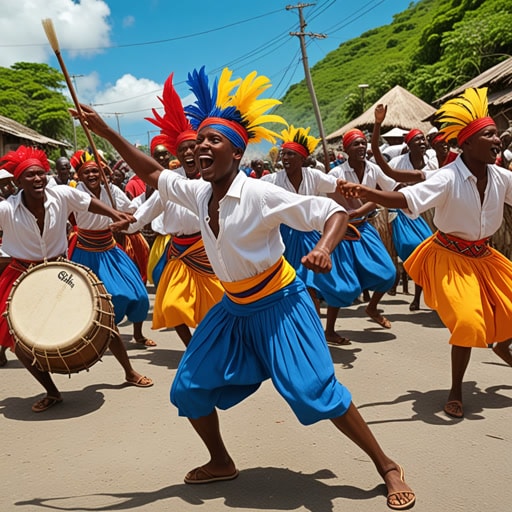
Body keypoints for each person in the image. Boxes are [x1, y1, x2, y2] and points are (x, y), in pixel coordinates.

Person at [74, 66, 415, 510]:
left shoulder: (260, 194)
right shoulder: (198, 193)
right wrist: (103, 132)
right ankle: (220, 461)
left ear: (236, 154)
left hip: (282, 305)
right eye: (198, 144)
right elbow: (155, 174)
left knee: (315, 391)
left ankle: (386, 465)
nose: (200, 149)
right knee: (188, 389)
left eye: (213, 142)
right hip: (233, 308)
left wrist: (326, 249)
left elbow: (331, 214)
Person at [339, 87, 512, 420]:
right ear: (467, 144)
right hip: (451, 256)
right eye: (490, 134)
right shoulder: (446, 177)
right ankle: (456, 390)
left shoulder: (502, 176)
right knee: (466, 320)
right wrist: (364, 191)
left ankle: (502, 343)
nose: (498, 140)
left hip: (485, 257)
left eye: (497, 134)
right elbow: (403, 196)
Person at [0, 145, 153, 411]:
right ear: (18, 181)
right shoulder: (6, 209)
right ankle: (52, 391)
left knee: (103, 319)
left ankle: (129, 372)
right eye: (30, 175)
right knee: (19, 342)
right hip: (21, 275)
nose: (37, 179)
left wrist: (114, 214)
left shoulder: (60, 194)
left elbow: (87, 202)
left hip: (60, 269)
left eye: (41, 174)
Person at [118, 72, 224, 347]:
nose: (189, 153)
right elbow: (144, 214)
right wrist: (125, 224)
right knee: (174, 307)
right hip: (178, 252)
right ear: (177, 156)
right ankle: (192, 347)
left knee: (214, 309)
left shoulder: (217, 183)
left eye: (193, 147)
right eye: (183, 150)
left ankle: (211, 345)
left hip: (208, 251)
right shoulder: (170, 184)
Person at [262, 124, 361, 345]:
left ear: (302, 158)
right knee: (300, 288)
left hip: (309, 236)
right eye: (283, 154)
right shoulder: (271, 180)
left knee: (322, 286)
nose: (285, 158)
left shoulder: (314, 176)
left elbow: (338, 184)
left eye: (291, 154)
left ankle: (324, 332)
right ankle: (309, 335)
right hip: (284, 238)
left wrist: (354, 196)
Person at [68, 149, 155, 348]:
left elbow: (131, 209)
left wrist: (140, 208)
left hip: (110, 247)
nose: (91, 175)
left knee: (140, 293)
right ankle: (100, 335)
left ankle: (138, 334)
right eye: (86, 173)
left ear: (101, 172)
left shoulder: (112, 190)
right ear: (79, 176)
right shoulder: (74, 193)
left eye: (94, 171)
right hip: (85, 250)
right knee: (109, 297)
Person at [328, 129, 397, 329]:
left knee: (389, 272)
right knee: (341, 283)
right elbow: (327, 202)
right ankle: (330, 329)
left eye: (363, 143)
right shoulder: (336, 173)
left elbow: (385, 192)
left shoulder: (373, 169)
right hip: (341, 231)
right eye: (355, 144)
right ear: (346, 149)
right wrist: (348, 214)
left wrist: (358, 211)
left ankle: (372, 307)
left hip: (364, 227)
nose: (361, 147)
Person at [371, 105, 434, 311]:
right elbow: (385, 174)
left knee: (426, 253)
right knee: (411, 249)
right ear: (409, 145)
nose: (423, 143)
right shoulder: (398, 162)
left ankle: (418, 297)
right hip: (403, 213)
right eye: (418, 140)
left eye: (424, 139)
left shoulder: (432, 165)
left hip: (428, 213)